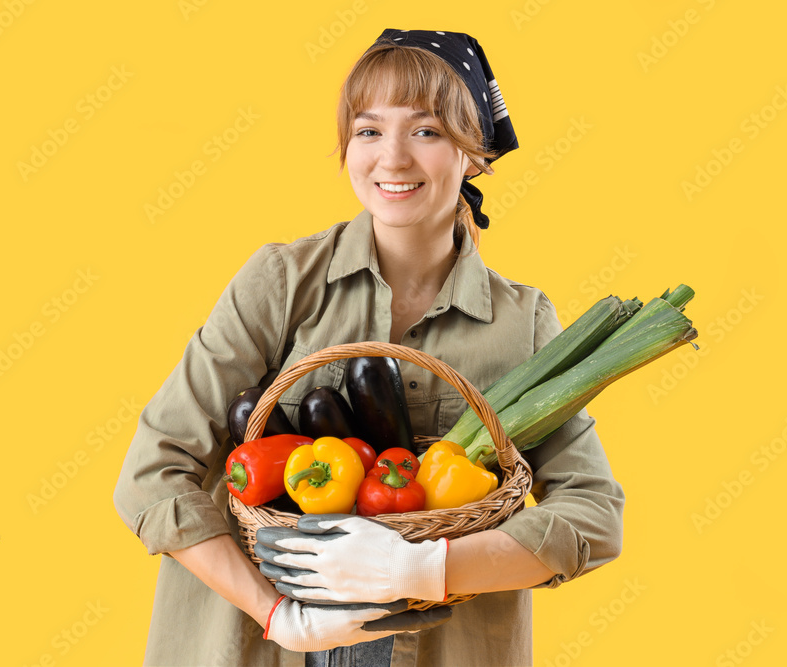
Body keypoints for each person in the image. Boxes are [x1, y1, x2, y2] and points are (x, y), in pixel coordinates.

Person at [113, 28, 624, 666]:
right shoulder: (281, 284)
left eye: (428, 131)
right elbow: (152, 472)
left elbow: (595, 514)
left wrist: (427, 568)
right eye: (369, 130)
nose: (392, 159)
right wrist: (279, 616)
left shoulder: (522, 323)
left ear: (474, 153)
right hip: (255, 646)